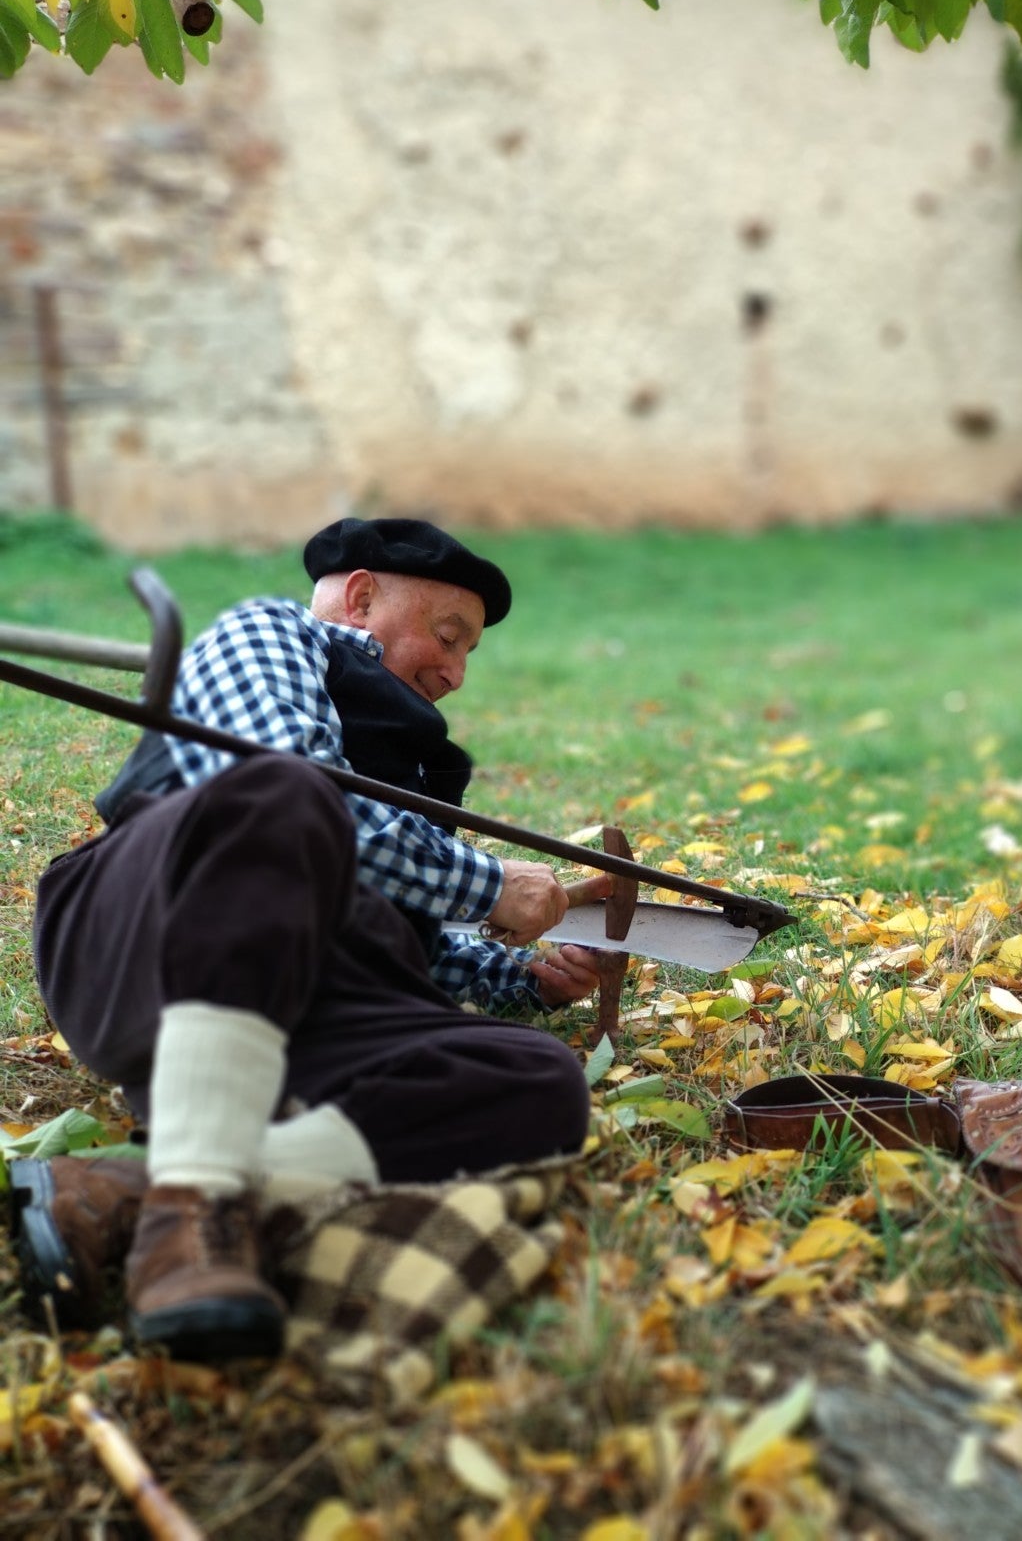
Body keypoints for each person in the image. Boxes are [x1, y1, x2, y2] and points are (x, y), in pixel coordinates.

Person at [12, 517, 600, 1362]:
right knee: (285, 791)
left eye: (468, 653)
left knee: (539, 1084)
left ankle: (127, 1191)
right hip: (142, 945)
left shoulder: (417, 755)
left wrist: (524, 980)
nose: (456, 672)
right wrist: (494, 885)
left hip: (295, 1002)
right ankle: (193, 1226)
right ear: (360, 597)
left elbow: (394, 939)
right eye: (446, 635)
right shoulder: (270, 632)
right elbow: (277, 785)